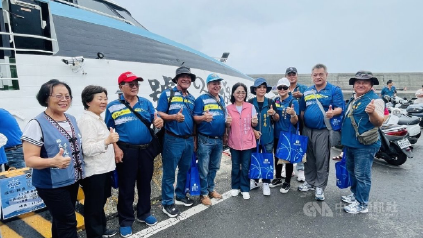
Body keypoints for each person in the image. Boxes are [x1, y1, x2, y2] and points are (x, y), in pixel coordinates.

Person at [21, 79, 84, 238]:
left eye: (67, 96)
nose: (64, 100)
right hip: (51, 185)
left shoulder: (71, 119)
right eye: (58, 96)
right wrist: (52, 162)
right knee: (68, 222)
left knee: (60, 221)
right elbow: (29, 160)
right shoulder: (36, 124)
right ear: (45, 98)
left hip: (71, 180)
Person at [105, 72, 163, 237]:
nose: (134, 86)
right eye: (130, 83)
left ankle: (144, 213)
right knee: (126, 186)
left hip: (146, 150)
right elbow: (109, 129)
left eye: (136, 83)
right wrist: (115, 147)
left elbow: (156, 120)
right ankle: (125, 220)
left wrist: (160, 122)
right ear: (120, 86)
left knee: (145, 183)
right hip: (126, 150)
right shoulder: (113, 106)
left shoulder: (146, 103)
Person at [78, 85, 119, 238]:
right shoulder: (87, 121)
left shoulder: (97, 118)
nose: (104, 102)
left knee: (99, 203)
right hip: (94, 171)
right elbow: (87, 149)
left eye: (105, 98)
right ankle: (94, 234)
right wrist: (107, 141)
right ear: (88, 101)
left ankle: (101, 229)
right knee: (93, 206)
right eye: (99, 98)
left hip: (103, 169)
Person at [298, 64, 344, 201]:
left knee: (321, 159)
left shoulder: (334, 90)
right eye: (315, 75)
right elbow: (302, 110)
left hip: (323, 130)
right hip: (307, 130)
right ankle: (310, 181)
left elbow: (340, 108)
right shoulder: (307, 91)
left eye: (320, 74)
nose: (318, 77)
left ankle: (320, 186)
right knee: (309, 158)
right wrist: (302, 127)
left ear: (326, 75)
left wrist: (332, 112)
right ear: (312, 76)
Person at [341, 71, 384, 214]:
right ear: (353, 85)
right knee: (352, 172)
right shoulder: (355, 98)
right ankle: (355, 195)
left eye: (364, 82)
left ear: (371, 85)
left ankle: (362, 204)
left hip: (364, 146)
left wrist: (372, 113)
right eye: (357, 82)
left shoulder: (375, 100)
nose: (360, 85)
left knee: (362, 175)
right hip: (351, 144)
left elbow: (378, 122)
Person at [157, 66, 196, 217]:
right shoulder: (167, 94)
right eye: (182, 76)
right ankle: (167, 202)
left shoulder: (192, 98)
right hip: (172, 139)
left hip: (188, 140)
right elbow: (159, 113)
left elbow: (193, 120)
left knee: (184, 169)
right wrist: (173, 117)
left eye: (188, 77)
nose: (186, 79)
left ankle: (180, 195)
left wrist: (194, 139)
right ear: (177, 79)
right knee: (169, 172)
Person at [193, 73, 226, 206]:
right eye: (214, 83)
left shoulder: (221, 99)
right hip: (205, 139)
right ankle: (203, 193)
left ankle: (211, 189)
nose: (216, 86)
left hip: (218, 140)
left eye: (218, 83)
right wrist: (203, 118)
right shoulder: (201, 99)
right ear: (208, 85)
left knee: (214, 167)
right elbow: (195, 117)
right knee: (204, 168)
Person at [226, 83, 258, 200]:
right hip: (234, 142)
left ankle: (245, 188)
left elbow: (254, 123)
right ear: (233, 93)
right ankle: (235, 186)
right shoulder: (228, 108)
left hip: (248, 141)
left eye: (243, 92)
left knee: (245, 166)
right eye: (238, 92)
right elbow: (227, 126)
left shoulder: (250, 107)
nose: (240, 94)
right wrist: (227, 123)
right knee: (235, 166)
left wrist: (254, 122)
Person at [248, 78, 279, 196]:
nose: (262, 89)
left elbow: (277, 119)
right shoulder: (250, 103)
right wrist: (253, 130)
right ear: (255, 89)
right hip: (253, 137)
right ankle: (254, 180)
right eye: (259, 87)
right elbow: (246, 121)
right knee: (254, 158)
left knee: (267, 160)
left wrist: (274, 114)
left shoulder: (271, 102)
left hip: (268, 137)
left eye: (264, 87)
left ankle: (266, 182)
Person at [271, 78, 299, 193]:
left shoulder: (293, 102)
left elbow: (295, 121)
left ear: (288, 89)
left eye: (285, 87)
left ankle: (287, 181)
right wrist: (273, 114)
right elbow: (275, 118)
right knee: (277, 156)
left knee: (288, 159)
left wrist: (293, 114)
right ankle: (277, 178)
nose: (282, 90)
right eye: (280, 87)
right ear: (277, 89)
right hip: (277, 133)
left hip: (289, 134)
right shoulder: (276, 100)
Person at [285, 67, 308, 182]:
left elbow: (310, 98)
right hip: (287, 121)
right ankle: (288, 167)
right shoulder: (284, 87)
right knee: (288, 143)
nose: (291, 76)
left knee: (300, 144)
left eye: (293, 74)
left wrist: (302, 96)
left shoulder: (303, 88)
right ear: (286, 76)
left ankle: (301, 169)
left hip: (301, 120)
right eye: (289, 74)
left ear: (297, 75)